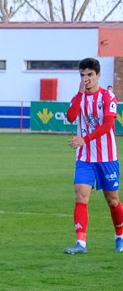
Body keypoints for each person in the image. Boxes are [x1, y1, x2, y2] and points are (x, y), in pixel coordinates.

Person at [63, 57, 123, 254]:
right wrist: (80, 93)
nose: (86, 78)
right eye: (82, 75)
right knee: (81, 195)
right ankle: (81, 243)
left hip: (107, 158)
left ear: (98, 75)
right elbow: (71, 116)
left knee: (112, 200)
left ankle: (120, 236)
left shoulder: (108, 97)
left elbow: (107, 125)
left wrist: (84, 139)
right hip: (85, 158)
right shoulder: (78, 97)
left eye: (89, 75)